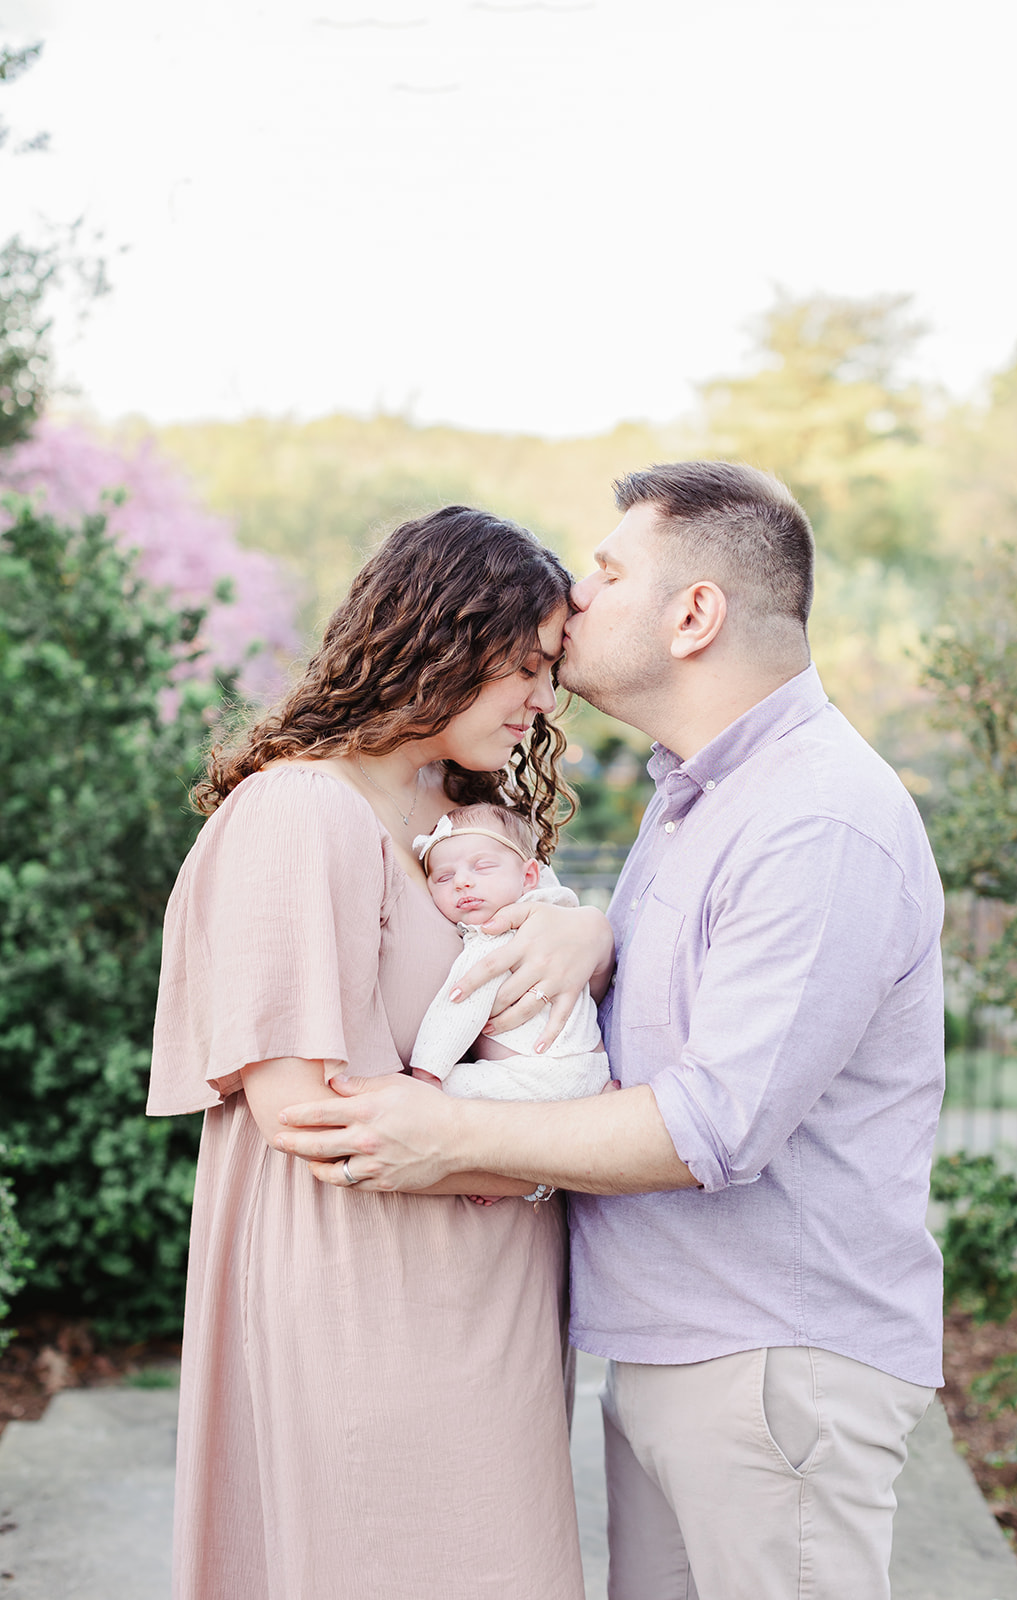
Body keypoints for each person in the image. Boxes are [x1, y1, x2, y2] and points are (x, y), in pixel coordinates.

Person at [277, 461, 947, 1600]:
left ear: (695, 614)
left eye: (607, 569)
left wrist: (448, 1132)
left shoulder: (817, 815)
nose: (576, 597)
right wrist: (591, 936)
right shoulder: (703, 797)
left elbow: (712, 1125)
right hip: (677, 1349)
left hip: (769, 1360)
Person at [146, 505, 613, 1600]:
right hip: (370, 1302)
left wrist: (582, 931)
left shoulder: (466, 821)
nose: (547, 699)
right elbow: (309, 1115)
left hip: (487, 1299)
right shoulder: (299, 814)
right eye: (531, 665)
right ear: (444, 635)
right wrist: (569, 1152)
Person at [409, 803, 611, 1102]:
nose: (462, 882)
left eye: (483, 867)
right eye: (443, 877)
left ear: (529, 876)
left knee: (418, 1091)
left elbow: (460, 1006)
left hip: (536, 1077)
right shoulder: (557, 924)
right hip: (593, 1070)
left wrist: (427, 1072)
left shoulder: (497, 936)